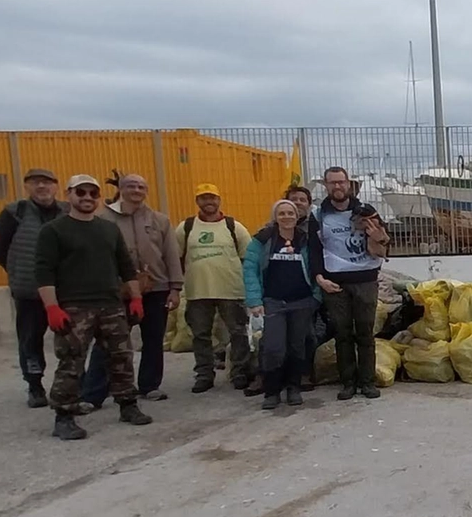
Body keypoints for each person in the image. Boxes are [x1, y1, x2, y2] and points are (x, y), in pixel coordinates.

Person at [34, 174, 152, 440]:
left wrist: (135, 298)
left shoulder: (108, 230)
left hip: (110, 304)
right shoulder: (54, 231)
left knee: (121, 357)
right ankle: (64, 416)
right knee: (72, 361)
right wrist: (52, 308)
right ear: (69, 195)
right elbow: (43, 272)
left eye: (93, 194)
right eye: (81, 192)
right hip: (74, 307)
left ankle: (127, 405)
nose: (87, 198)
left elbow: (126, 267)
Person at [80, 174, 182, 406]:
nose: (136, 190)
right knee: (108, 341)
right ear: (121, 189)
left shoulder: (159, 220)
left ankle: (149, 386)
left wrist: (175, 287)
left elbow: (171, 255)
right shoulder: (103, 219)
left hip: (156, 288)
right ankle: (94, 393)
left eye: (141, 186)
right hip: (117, 291)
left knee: (154, 339)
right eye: (131, 186)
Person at [0, 168, 68, 408]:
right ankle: (34, 385)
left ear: (56, 186)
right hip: (29, 291)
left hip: (65, 288)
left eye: (47, 183)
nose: (42, 187)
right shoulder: (15, 212)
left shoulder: (67, 211)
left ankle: (71, 384)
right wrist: (18, 271)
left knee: (71, 338)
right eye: (35, 183)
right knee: (30, 339)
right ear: (27, 187)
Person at [311, 166, 390, 401]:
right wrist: (319, 276)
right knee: (342, 334)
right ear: (326, 186)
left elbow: (385, 238)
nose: (337, 187)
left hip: (365, 280)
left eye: (341, 182)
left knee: (365, 333)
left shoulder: (366, 211)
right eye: (332, 183)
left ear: (349, 184)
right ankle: (348, 383)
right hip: (335, 283)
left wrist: (378, 235)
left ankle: (367, 382)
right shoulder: (319, 216)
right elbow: (314, 249)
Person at [243, 200, 322, 410]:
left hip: (302, 302)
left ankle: (293, 387)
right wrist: (254, 300)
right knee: (273, 347)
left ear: (297, 217)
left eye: (290, 213)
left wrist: (316, 297)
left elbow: (317, 267)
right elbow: (250, 268)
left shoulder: (305, 239)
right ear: (275, 217)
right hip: (273, 302)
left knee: (297, 347)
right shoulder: (263, 240)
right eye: (282, 213)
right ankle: (272, 391)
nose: (286, 217)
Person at [177, 183, 252, 394]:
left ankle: (239, 372)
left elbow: (248, 258)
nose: (208, 202)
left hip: (231, 290)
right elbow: (176, 257)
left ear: (219, 200)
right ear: (197, 201)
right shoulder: (186, 227)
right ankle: (204, 374)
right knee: (200, 335)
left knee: (237, 333)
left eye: (212, 197)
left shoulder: (234, 227)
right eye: (203, 198)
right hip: (197, 291)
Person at [286, 184, 320, 390]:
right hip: (279, 291)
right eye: (294, 199)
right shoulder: (273, 227)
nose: (298, 203)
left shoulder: (315, 227)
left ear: (309, 204)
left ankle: (305, 373)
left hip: (307, 290)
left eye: (302, 199)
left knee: (307, 333)